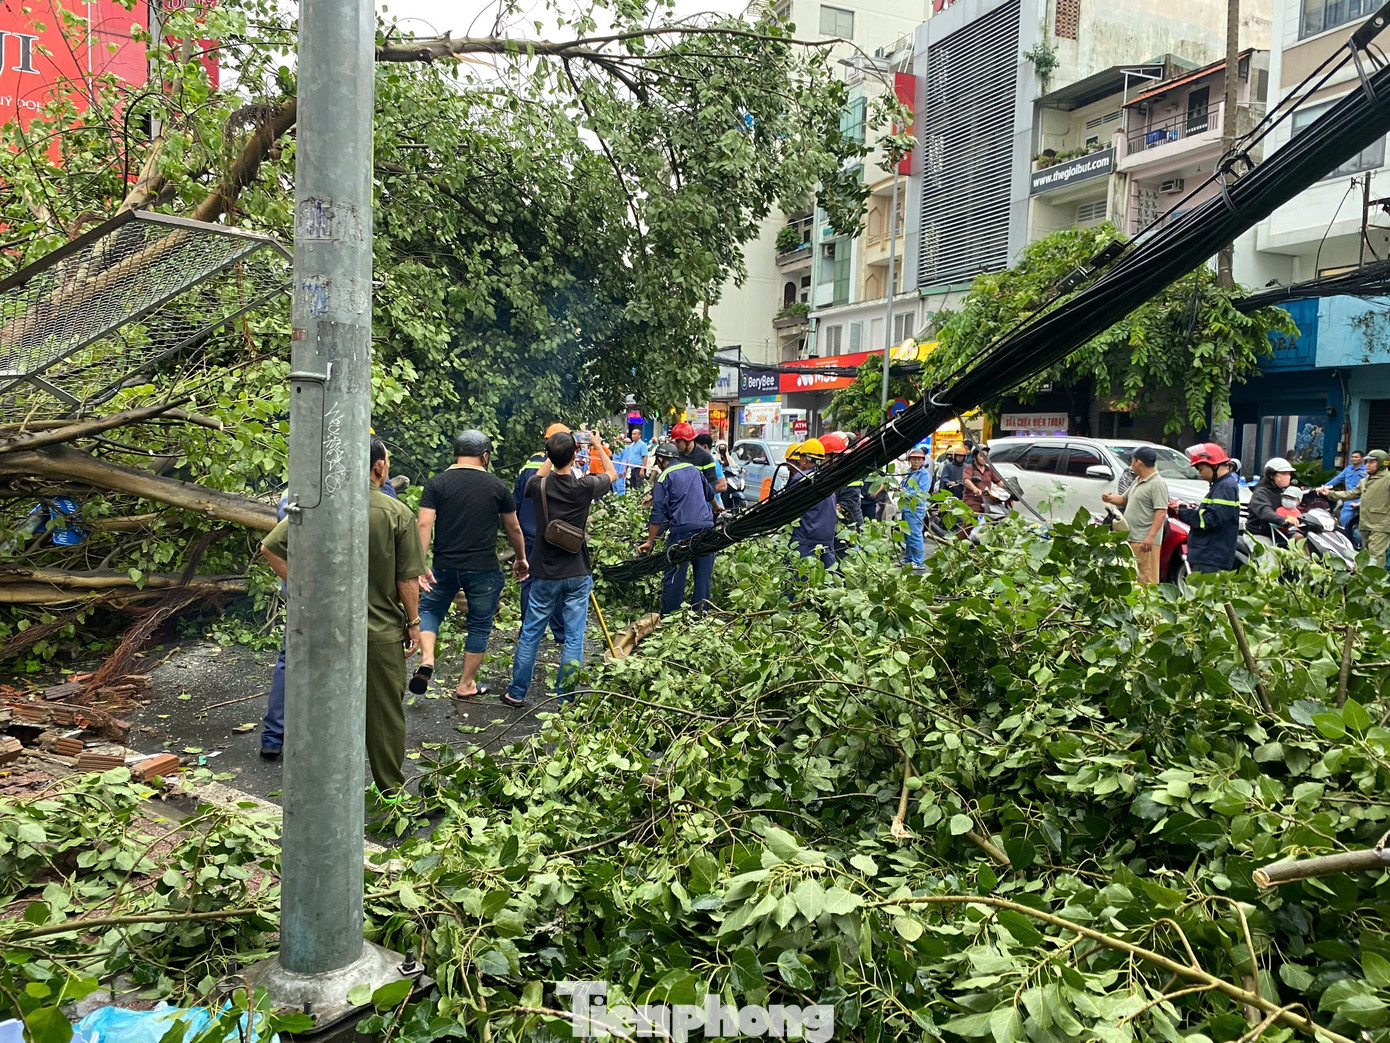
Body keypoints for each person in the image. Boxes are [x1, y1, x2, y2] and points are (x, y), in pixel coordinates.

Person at [259, 438, 426, 792]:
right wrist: (413, 623)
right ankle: (392, 793)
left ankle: (322, 791)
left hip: (324, 628)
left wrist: (310, 593)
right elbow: (407, 579)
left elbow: (270, 548)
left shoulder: (320, 506)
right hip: (378, 631)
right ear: (378, 466)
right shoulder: (397, 513)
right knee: (384, 715)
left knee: (322, 709)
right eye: (387, 461)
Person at [412, 430, 528, 699]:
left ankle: (427, 659)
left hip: (444, 565)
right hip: (483, 568)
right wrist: (521, 559)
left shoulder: (437, 484)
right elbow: (514, 528)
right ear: (484, 456)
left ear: (456, 454)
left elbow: (424, 524)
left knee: (429, 609)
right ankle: (466, 684)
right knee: (478, 624)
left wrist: (420, 563)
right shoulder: (497, 487)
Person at [504, 431, 616, 708]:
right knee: (574, 636)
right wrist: (597, 444)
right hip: (577, 570)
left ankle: (517, 693)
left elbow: (538, 476)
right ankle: (565, 696)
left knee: (531, 632)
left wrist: (549, 454)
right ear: (575, 453)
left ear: (547, 455)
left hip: (544, 571)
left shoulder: (538, 486)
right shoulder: (585, 486)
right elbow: (613, 474)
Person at [637, 442, 716, 614]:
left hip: (682, 530)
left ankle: (670, 616)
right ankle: (701, 617)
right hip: (706, 527)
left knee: (674, 574)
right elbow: (710, 494)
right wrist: (716, 508)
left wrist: (650, 541)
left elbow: (657, 513)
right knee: (703, 576)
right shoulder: (695, 470)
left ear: (660, 459)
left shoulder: (664, 477)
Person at [513, 423, 570, 646]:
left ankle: (527, 631)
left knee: (527, 580)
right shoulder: (563, 468)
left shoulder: (527, 466)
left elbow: (516, 502)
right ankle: (560, 633)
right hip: (554, 533)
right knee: (554, 580)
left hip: (528, 532)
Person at [1101, 445, 1169, 584]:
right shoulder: (1138, 481)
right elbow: (1124, 499)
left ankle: (1148, 606)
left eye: (1132, 459)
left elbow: (1161, 512)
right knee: (1134, 578)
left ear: (1139, 462)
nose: (1131, 463)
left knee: (1146, 580)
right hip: (1132, 538)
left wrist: (1150, 537)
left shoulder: (1157, 483)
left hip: (1145, 542)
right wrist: (1109, 498)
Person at [1173, 442, 1241, 574]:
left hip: (1211, 557)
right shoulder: (1222, 485)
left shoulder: (1225, 487)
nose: (1200, 474)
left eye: (1201, 469)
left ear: (1214, 465)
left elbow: (1211, 519)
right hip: (1210, 556)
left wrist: (1183, 512)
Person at [1324, 449, 1390, 566]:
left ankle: (1377, 582)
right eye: (1367, 462)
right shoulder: (1364, 481)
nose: (1367, 465)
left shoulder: (1387, 480)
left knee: (1376, 555)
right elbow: (1351, 494)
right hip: (1365, 523)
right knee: (1366, 554)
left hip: (1381, 524)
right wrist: (1330, 493)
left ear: (1381, 463)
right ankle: (1365, 581)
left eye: (1372, 462)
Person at [789, 438, 838, 567]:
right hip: (827, 539)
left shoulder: (801, 479)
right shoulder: (828, 478)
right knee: (826, 582)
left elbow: (786, 506)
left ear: (804, 459)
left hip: (806, 540)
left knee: (799, 583)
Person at [1246, 456, 1300, 544]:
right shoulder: (1260, 492)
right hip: (1259, 535)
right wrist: (1284, 520)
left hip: (1279, 532)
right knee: (1268, 556)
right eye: (1283, 473)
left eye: (1288, 473)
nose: (1287, 477)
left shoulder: (1283, 490)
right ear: (1271, 475)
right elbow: (1265, 511)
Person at [672, 422, 727, 501]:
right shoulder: (675, 455)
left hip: (699, 504)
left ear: (687, 441)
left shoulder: (705, 458)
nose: (676, 444)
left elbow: (711, 486)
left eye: (678, 441)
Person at [900, 444, 932, 568]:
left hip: (916, 508)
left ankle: (918, 561)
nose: (916, 461)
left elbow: (921, 491)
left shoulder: (924, 474)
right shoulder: (908, 473)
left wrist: (905, 492)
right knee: (907, 534)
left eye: (919, 459)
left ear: (923, 461)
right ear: (909, 460)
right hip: (906, 507)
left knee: (915, 534)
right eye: (913, 459)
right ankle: (908, 558)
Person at [1326, 450, 1367, 531]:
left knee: (1363, 528)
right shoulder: (1348, 469)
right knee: (1342, 525)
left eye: (1356, 457)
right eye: (1352, 457)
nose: (1353, 459)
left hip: (1362, 502)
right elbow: (1337, 479)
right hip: (1349, 501)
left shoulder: (1367, 470)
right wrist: (1325, 487)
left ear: (1362, 459)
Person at [694, 432, 727, 510]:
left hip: (711, 509)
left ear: (705, 447)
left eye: (696, 448)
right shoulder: (698, 460)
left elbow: (723, 486)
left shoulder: (712, 462)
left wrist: (702, 490)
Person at [961, 445, 996, 518]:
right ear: (975, 457)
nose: (984, 458)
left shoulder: (989, 469)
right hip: (972, 500)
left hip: (987, 501)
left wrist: (1007, 490)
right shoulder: (969, 468)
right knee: (972, 519)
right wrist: (975, 489)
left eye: (986, 456)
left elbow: (999, 482)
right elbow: (966, 481)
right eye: (982, 456)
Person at [614, 427, 648, 495]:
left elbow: (645, 457)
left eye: (635, 434)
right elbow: (628, 458)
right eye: (632, 434)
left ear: (639, 435)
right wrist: (625, 469)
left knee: (639, 487)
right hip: (632, 469)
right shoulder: (631, 445)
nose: (633, 436)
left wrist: (642, 469)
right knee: (632, 486)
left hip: (639, 468)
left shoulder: (642, 445)